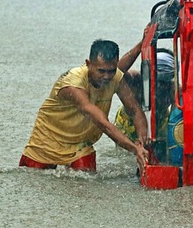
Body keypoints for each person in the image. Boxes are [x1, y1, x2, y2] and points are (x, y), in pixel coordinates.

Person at [19, 40, 149, 172]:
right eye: (101, 71)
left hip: (80, 145)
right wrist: (134, 149)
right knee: (32, 179)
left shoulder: (116, 78)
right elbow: (103, 123)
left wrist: (141, 142)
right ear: (88, 64)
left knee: (87, 183)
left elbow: (135, 111)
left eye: (111, 71)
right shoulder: (74, 84)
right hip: (46, 141)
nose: (107, 77)